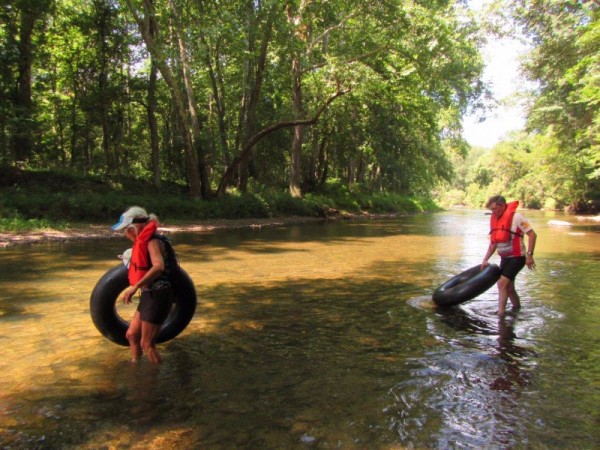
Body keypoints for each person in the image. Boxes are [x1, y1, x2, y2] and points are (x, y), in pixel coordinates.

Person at [112, 206, 174, 363]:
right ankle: (135, 368)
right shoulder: (143, 240)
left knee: (147, 344)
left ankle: (155, 381)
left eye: (126, 229)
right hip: (149, 294)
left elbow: (158, 266)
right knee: (132, 335)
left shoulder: (152, 241)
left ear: (136, 227)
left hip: (159, 294)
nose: (124, 233)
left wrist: (135, 286)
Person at [481, 195, 537, 316]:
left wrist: (530, 255)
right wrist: (485, 259)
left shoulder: (517, 217)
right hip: (504, 258)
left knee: (501, 283)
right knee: (509, 288)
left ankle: (500, 314)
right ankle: (517, 309)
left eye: (494, 209)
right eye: (491, 210)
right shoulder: (495, 219)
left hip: (517, 257)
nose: (493, 212)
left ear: (502, 206)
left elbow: (532, 235)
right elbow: (494, 243)